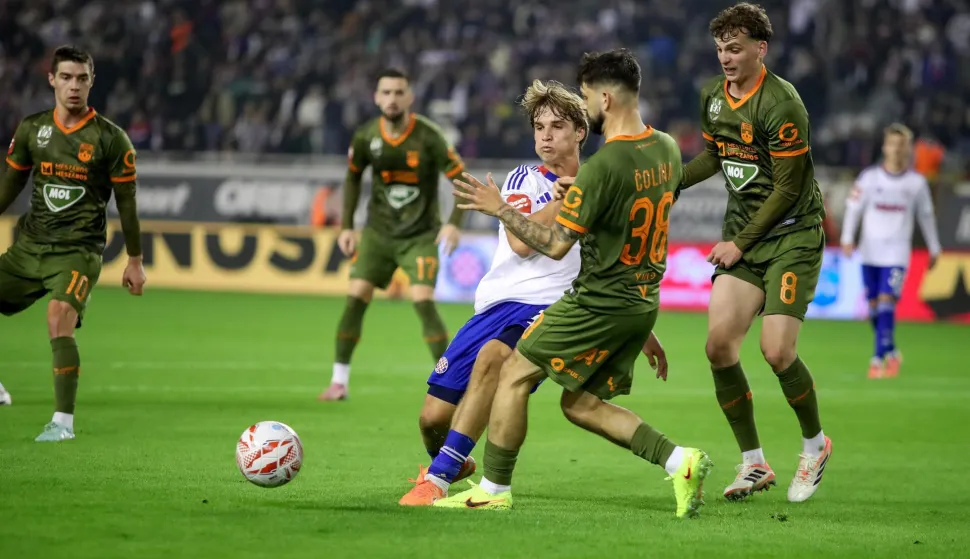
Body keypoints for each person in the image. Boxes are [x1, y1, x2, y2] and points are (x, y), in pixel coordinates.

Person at [436, 49, 713, 519]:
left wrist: (499, 208)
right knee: (581, 404)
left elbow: (553, 245)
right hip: (642, 300)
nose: (585, 106)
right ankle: (679, 461)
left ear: (605, 97)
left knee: (512, 373)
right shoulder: (665, 147)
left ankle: (493, 488)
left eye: (586, 97)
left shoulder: (602, 168)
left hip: (596, 302)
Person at [398, 80, 585, 505]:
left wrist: (582, 190)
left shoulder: (599, 185)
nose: (546, 135)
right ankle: (453, 458)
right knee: (432, 418)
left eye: (557, 126)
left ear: (579, 132)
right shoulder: (524, 177)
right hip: (496, 304)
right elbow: (522, 243)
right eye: (539, 127)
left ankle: (440, 479)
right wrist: (569, 198)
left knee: (494, 360)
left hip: (548, 306)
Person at [675, 2, 832, 503]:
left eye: (735, 48)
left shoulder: (783, 103)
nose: (725, 57)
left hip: (791, 236)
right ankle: (754, 464)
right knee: (719, 347)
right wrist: (669, 183)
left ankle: (814, 445)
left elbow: (787, 189)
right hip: (743, 234)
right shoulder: (713, 98)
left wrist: (739, 243)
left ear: (760, 50)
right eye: (720, 48)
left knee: (776, 351)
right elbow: (714, 156)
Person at [0, 45, 146, 441]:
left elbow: (127, 205)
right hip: (29, 247)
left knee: (58, 315)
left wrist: (135, 260)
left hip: (77, 252)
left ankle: (62, 424)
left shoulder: (111, 140)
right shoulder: (33, 129)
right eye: (65, 77)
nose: (74, 86)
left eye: (82, 78)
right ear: (52, 80)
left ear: (92, 81)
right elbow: (10, 185)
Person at [320, 69, 467, 401]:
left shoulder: (429, 136)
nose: (392, 98)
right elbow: (353, 178)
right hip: (378, 233)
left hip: (420, 235)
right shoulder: (366, 136)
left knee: (423, 302)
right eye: (386, 92)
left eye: (399, 92)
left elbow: (461, 177)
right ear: (376, 97)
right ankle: (338, 380)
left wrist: (454, 222)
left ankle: (451, 385)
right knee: (356, 297)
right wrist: (347, 226)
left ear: (410, 97)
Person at [841, 123, 941, 379]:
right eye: (892, 144)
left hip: (897, 253)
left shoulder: (916, 183)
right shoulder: (869, 178)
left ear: (908, 149)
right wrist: (847, 237)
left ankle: (877, 360)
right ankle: (893, 351)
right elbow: (854, 209)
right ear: (885, 147)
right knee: (874, 308)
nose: (896, 149)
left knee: (886, 303)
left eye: (901, 145)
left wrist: (934, 247)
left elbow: (926, 216)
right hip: (870, 251)